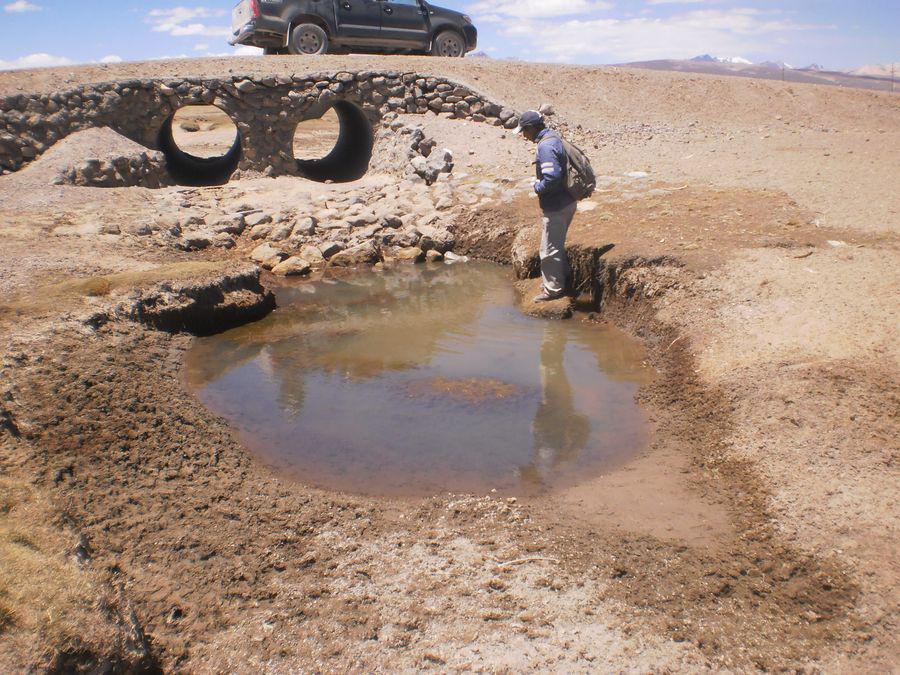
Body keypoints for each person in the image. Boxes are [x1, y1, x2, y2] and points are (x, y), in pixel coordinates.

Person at [517, 110, 577, 302]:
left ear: (531, 128)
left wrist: (537, 187)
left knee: (548, 249)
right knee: (556, 243)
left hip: (557, 205)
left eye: (524, 131)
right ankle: (564, 277)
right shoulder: (553, 137)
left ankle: (553, 289)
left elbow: (551, 178)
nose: (523, 136)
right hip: (568, 200)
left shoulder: (546, 146)